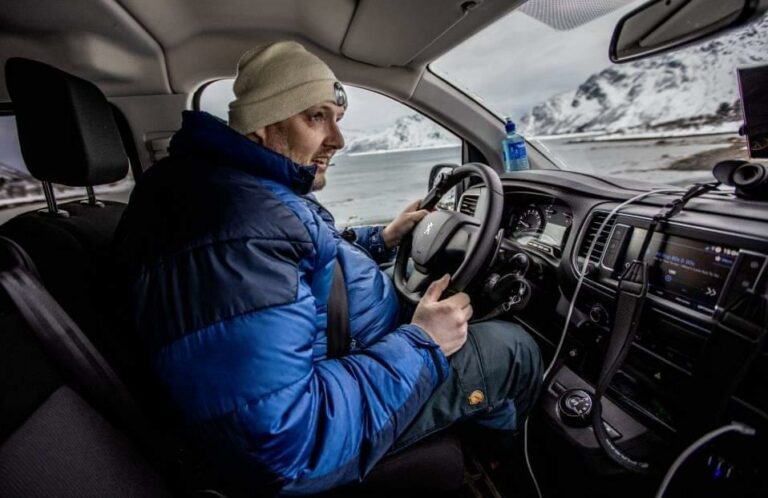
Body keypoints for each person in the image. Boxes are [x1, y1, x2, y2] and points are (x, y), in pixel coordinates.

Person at [114, 41, 542, 495]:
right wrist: (422, 343)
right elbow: (287, 442)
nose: (338, 140)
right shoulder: (237, 226)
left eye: (337, 119)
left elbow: (303, 256)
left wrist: (383, 238)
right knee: (511, 349)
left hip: (353, 354)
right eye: (316, 118)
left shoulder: (232, 189)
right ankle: (503, 472)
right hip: (331, 420)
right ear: (263, 122)